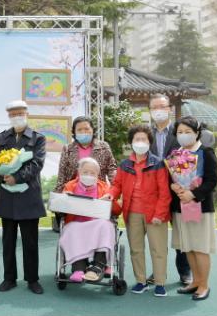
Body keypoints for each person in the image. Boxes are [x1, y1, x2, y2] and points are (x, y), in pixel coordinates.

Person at [105, 125, 171, 297]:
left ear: (149, 142)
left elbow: (165, 193)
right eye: (137, 139)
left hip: (155, 214)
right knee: (136, 249)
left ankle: (160, 283)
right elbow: (117, 185)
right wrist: (111, 194)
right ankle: (141, 281)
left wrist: (159, 214)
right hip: (132, 213)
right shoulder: (125, 164)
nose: (140, 142)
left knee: (158, 249)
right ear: (131, 142)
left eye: (144, 139)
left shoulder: (158, 163)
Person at [0, 100, 46, 294]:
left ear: (27, 114)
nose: (17, 117)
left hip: (28, 195)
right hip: (8, 196)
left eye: (20, 113)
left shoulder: (38, 138)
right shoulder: (2, 137)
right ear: (9, 116)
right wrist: (3, 176)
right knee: (8, 242)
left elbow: (37, 163)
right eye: (13, 114)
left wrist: (17, 177)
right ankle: (9, 278)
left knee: (30, 242)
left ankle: (32, 279)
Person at [170, 116, 217, 301]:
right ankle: (195, 282)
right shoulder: (176, 154)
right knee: (188, 247)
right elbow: (171, 178)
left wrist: (193, 194)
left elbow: (212, 181)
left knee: (200, 248)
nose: (184, 135)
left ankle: (204, 285)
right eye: (180, 132)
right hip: (181, 207)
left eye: (188, 131)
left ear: (197, 133)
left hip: (199, 207)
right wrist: (175, 186)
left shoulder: (206, 152)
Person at [148, 93, 191, 285]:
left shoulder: (180, 132)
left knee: (182, 232)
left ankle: (185, 272)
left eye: (162, 107)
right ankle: (158, 272)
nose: (159, 110)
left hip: (179, 191)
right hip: (155, 193)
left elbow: (189, 158)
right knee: (157, 236)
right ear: (150, 111)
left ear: (170, 109)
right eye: (155, 107)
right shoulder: (145, 134)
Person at [59, 158, 121, 283]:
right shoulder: (70, 186)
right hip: (76, 223)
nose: (89, 175)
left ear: (97, 174)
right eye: (85, 172)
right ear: (79, 172)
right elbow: (60, 207)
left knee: (105, 225)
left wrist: (110, 201)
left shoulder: (104, 187)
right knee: (71, 229)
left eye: (92, 173)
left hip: (97, 223)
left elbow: (117, 211)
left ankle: (98, 266)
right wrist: (65, 199)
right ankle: (78, 269)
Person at [53, 116, 117, 231]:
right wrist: (59, 199)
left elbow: (112, 169)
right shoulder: (68, 149)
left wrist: (113, 192)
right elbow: (62, 175)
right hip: (74, 194)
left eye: (87, 129)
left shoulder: (103, 147)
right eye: (80, 130)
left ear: (93, 130)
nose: (84, 132)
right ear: (74, 132)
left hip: (98, 194)